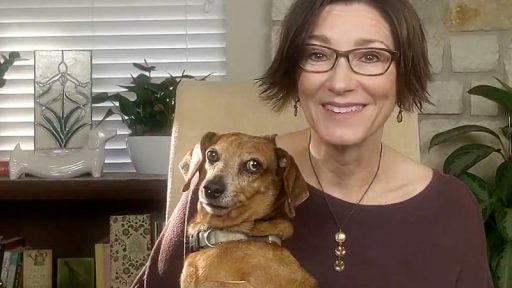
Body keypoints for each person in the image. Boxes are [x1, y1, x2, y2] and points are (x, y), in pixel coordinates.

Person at [132, 0, 493, 287]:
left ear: (403, 77)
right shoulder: (220, 179)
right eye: (318, 55)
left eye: (370, 57)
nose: (340, 82)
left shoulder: (450, 209)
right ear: (295, 74)